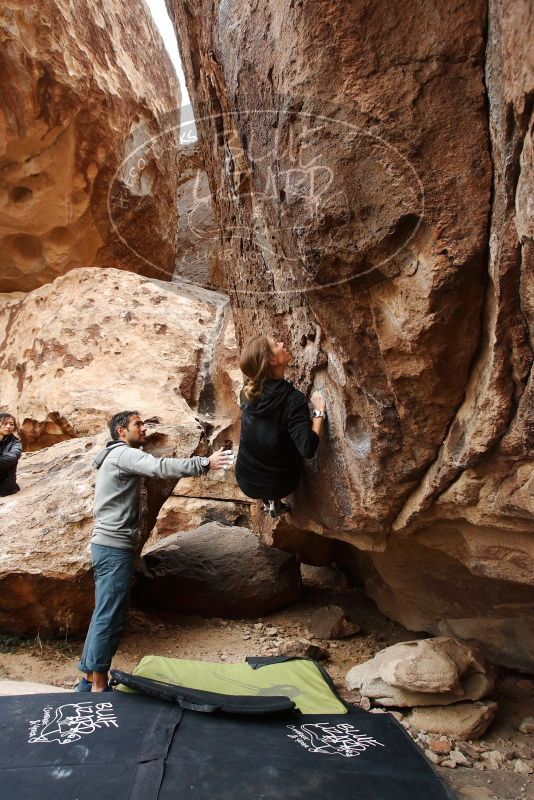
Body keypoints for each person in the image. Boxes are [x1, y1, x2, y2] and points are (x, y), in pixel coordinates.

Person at [77, 410, 232, 692]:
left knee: (104, 612)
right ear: (121, 432)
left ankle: (89, 678)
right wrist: (204, 463)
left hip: (107, 546)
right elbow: (158, 467)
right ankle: (98, 686)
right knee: (110, 615)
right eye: (138, 424)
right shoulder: (123, 454)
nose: (144, 428)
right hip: (114, 548)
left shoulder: (114, 456)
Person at [235, 336, 326, 518]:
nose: (283, 344)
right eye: (276, 345)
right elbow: (307, 448)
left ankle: (271, 503)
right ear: (272, 360)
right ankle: (274, 499)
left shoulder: (247, 391)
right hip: (280, 484)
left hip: (246, 480)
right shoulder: (293, 400)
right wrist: (318, 413)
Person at [0, 413, 22, 497]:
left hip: (5, 485)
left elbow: (12, 457)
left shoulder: (15, 443)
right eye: (5, 423)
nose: (8, 426)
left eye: (11, 424)